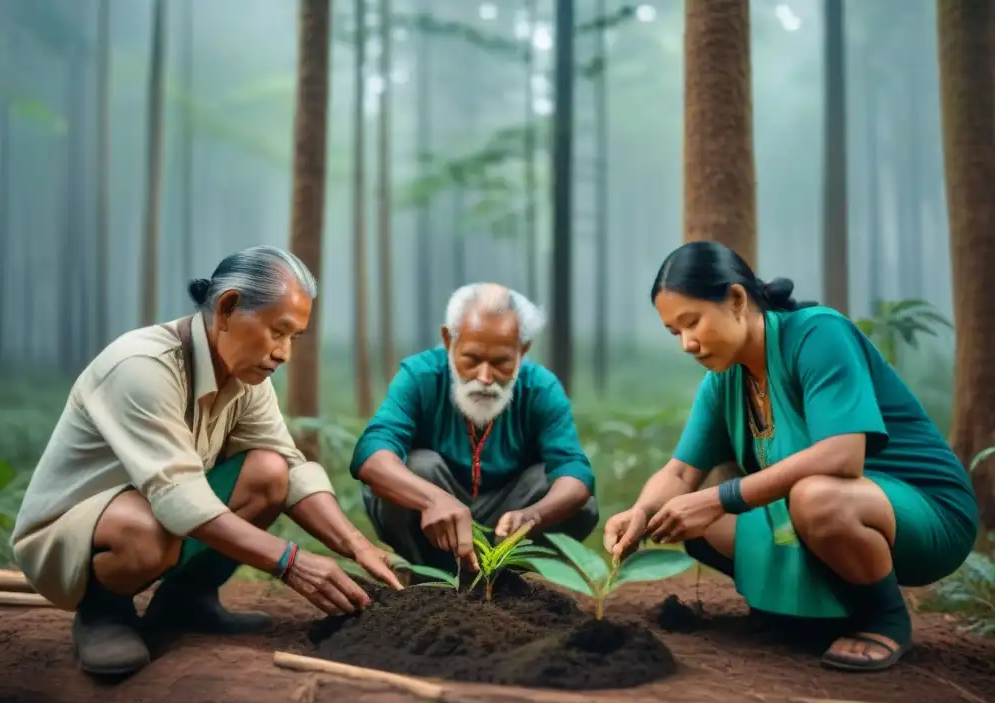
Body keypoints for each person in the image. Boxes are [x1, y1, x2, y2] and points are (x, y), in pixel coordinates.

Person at [11, 245, 403, 679]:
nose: (284, 353)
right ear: (228, 308)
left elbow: (289, 469)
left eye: (294, 338)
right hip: (70, 536)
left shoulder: (246, 376)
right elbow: (178, 498)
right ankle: (104, 613)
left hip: (159, 513)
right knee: (144, 529)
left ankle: (186, 600)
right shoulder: (142, 367)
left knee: (269, 471)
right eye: (278, 331)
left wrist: (356, 544)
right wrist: (291, 562)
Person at [604, 241, 978, 672]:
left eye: (692, 323)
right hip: (822, 516)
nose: (687, 344)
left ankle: (883, 618)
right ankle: (802, 614)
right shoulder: (724, 381)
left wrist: (715, 498)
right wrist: (641, 512)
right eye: (675, 333)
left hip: (923, 513)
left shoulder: (817, 334)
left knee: (815, 497)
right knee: (685, 518)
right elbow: (682, 470)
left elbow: (843, 457)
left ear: (737, 300)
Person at [349, 283, 598, 573]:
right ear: (448, 340)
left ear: (523, 350)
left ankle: (505, 578)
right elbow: (371, 453)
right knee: (418, 466)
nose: (485, 377)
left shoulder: (541, 387)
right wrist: (432, 499)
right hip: (431, 517)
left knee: (571, 498)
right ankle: (428, 579)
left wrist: (534, 516)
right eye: (471, 358)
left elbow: (576, 471)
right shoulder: (420, 376)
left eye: (501, 362)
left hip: (507, 519)